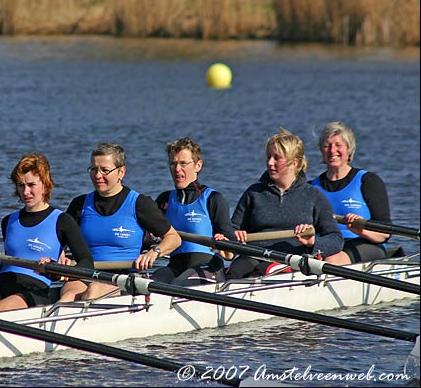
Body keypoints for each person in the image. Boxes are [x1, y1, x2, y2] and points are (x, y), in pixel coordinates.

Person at [218, 128, 343, 279]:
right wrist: (230, 238)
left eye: (277, 158)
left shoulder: (313, 195)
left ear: (294, 163)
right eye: (269, 157)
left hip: (290, 259)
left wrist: (313, 242)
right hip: (254, 254)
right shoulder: (254, 193)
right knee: (235, 271)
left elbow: (336, 239)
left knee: (265, 271)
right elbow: (232, 230)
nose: (270, 163)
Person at [65, 142, 181, 299]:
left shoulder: (140, 204)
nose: (98, 175)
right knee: (67, 297)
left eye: (105, 170)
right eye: (93, 169)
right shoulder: (79, 205)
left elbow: (174, 238)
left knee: (93, 291)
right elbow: (59, 240)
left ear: (121, 172)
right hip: (86, 273)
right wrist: (59, 255)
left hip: (123, 278)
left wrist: (154, 252)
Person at [0, 153, 94, 312]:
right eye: (21, 185)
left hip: (35, 291)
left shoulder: (63, 221)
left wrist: (59, 269)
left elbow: (87, 262)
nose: (26, 192)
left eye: (31, 185)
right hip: (2, 285)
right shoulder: (8, 221)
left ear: (45, 184)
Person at [151, 137, 234, 286]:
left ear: (198, 166)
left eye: (183, 163)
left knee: (175, 285)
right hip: (175, 266)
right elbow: (146, 238)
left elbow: (231, 247)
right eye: (173, 163)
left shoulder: (212, 198)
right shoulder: (164, 200)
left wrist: (224, 246)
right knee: (149, 283)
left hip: (208, 266)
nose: (177, 169)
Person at [310, 121, 391, 265]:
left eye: (338, 145)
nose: (332, 150)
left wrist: (362, 231)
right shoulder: (311, 187)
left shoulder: (368, 181)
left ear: (349, 149)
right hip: (326, 246)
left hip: (365, 243)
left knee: (331, 260)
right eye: (327, 145)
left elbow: (385, 233)